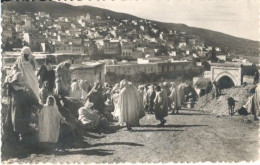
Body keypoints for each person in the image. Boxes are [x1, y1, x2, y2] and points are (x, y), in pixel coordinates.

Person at [3, 72, 37, 142]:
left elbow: (31, 95)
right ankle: (18, 137)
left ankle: (23, 137)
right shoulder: (12, 86)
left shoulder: (26, 86)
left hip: (25, 107)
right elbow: (6, 89)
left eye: (21, 78)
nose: (20, 79)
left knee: (24, 122)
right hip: (17, 107)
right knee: (16, 122)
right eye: (19, 78)